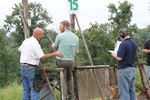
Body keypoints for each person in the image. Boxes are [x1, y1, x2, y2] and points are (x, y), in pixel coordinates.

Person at [18, 27, 64, 100]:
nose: (43, 36)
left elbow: (20, 50)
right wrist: (55, 53)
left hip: (23, 67)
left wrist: (29, 58)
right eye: (42, 35)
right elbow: (43, 57)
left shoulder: (26, 41)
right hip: (31, 68)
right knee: (35, 90)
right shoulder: (35, 44)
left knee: (26, 90)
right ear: (38, 34)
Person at [51, 20, 79, 100]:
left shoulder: (60, 36)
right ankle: (72, 97)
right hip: (71, 62)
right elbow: (77, 51)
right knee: (70, 79)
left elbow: (55, 47)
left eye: (60, 26)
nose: (60, 28)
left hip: (61, 61)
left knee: (62, 79)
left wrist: (53, 45)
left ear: (65, 26)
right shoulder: (76, 37)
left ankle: (64, 97)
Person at [111, 28, 137, 100]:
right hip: (133, 69)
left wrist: (113, 54)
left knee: (124, 91)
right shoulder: (134, 43)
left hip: (124, 70)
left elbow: (119, 58)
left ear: (122, 35)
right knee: (132, 91)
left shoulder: (123, 44)